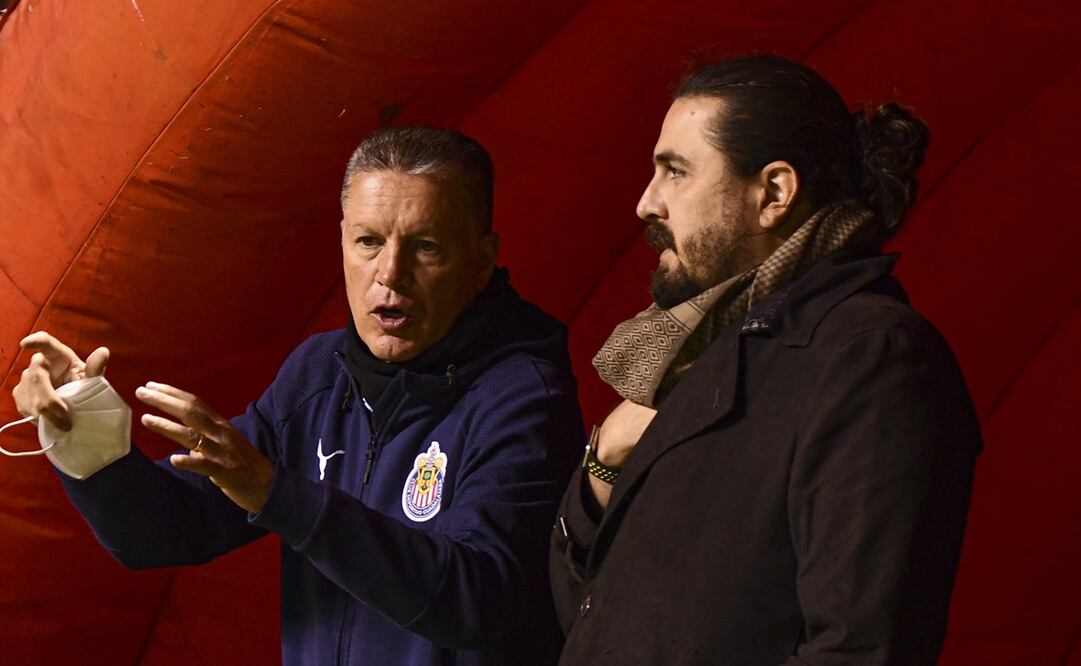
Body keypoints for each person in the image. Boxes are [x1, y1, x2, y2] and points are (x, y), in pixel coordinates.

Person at [13, 127, 584, 665]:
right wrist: (86, 439)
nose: (390, 273)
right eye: (368, 242)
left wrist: (275, 492)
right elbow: (168, 529)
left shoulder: (523, 397)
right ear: (341, 242)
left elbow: (477, 598)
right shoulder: (316, 374)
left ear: (481, 261)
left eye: (426, 247)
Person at [550, 55, 981, 664]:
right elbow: (594, 618)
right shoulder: (700, 348)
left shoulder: (870, 359)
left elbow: (859, 648)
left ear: (773, 193)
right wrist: (604, 469)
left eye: (675, 172)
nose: (647, 204)